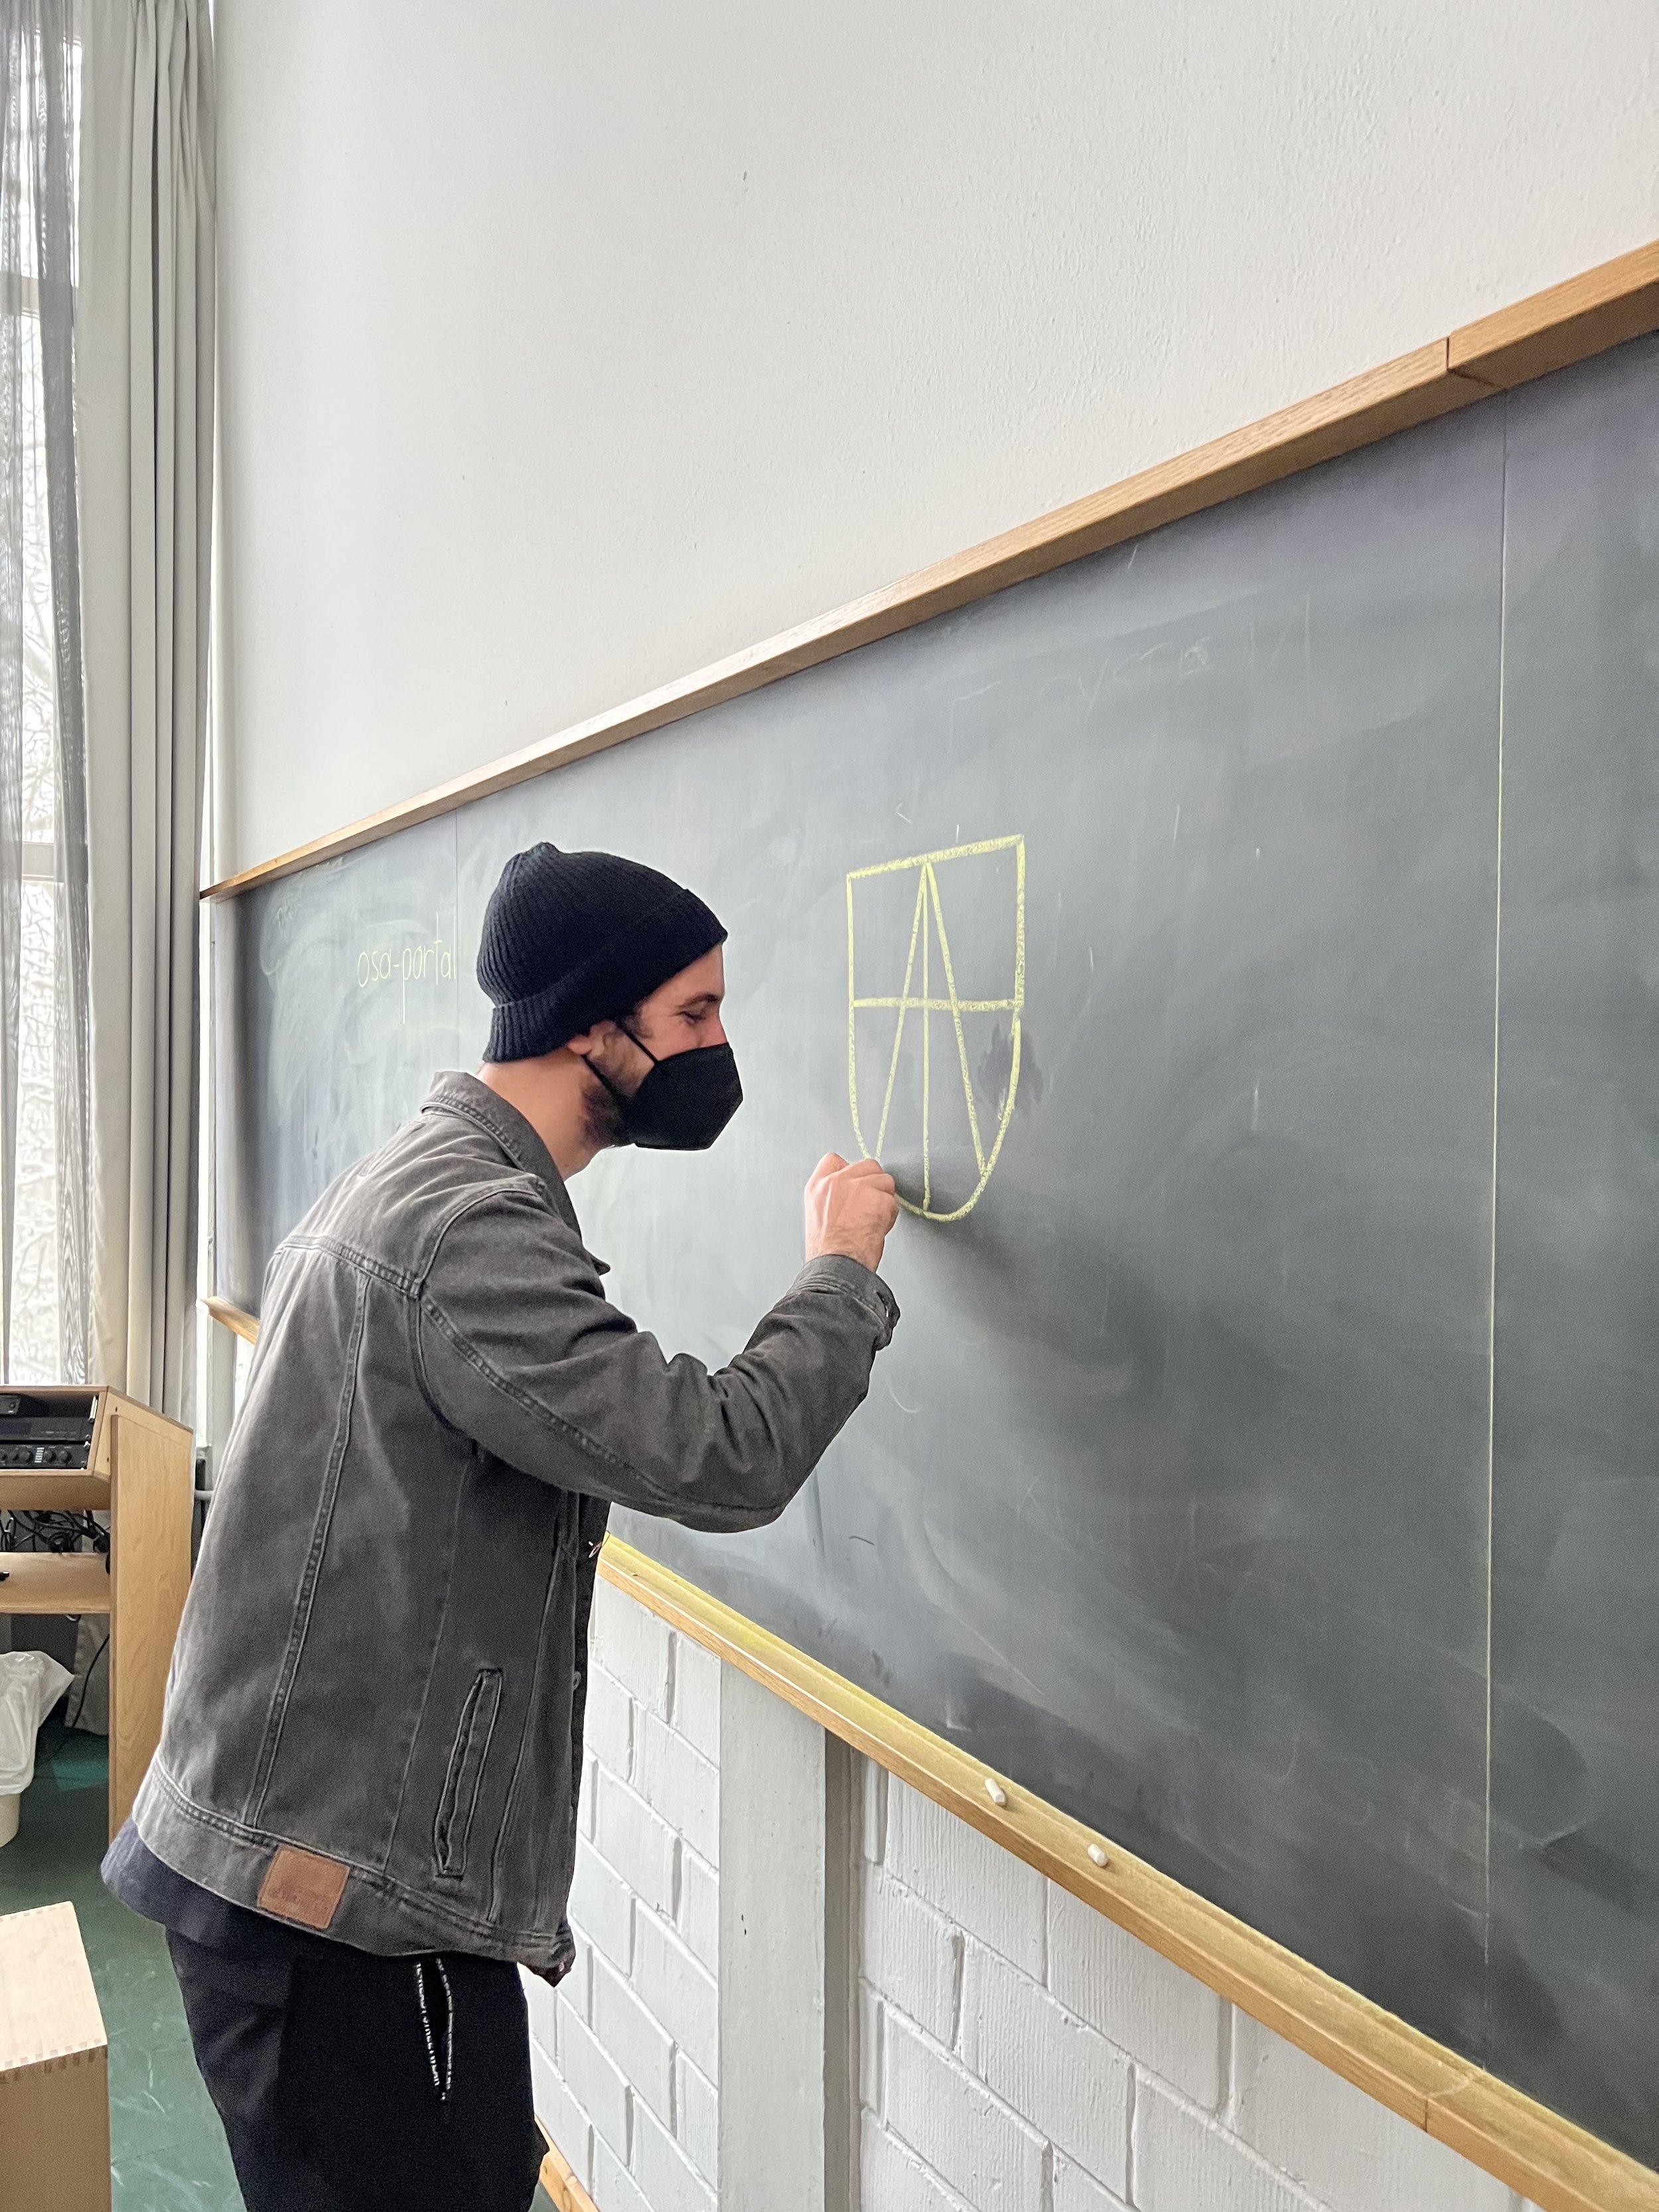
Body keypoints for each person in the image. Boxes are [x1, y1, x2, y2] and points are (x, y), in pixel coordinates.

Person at [104, 842, 901, 2212]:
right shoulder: (466, 1229)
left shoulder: (431, 1183)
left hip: (308, 1880)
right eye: (694, 1012)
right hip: (332, 1916)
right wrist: (840, 1268)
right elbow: (720, 1452)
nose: (718, 1047)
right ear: (591, 1024)